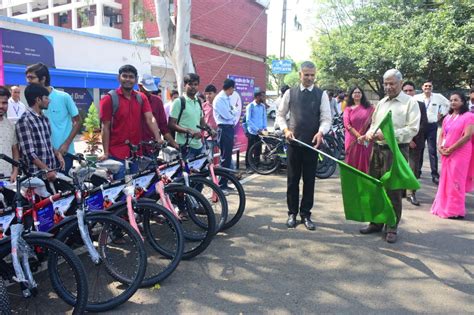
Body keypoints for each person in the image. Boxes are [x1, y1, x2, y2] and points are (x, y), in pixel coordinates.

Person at [358, 69, 420, 243]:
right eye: (386, 83)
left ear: (401, 83)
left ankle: (392, 226)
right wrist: (369, 134)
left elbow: (412, 129)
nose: (388, 87)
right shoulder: (382, 102)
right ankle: (376, 222)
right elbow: (374, 125)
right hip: (377, 149)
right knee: (375, 186)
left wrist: (388, 135)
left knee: (393, 189)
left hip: (396, 150)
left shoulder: (410, 103)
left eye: (392, 83)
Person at [276, 61, 332, 231]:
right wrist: (285, 129)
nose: (309, 78)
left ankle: (306, 214)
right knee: (292, 180)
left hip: (312, 145)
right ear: (300, 74)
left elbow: (326, 119)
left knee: (309, 181)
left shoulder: (321, 94)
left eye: (312, 75)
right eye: (306, 74)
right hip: (293, 143)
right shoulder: (290, 94)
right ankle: (292, 213)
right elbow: (280, 115)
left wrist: (321, 132)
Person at [99, 65, 162, 179]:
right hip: (116, 152)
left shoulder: (141, 97)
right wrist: (106, 152)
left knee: (137, 187)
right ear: (119, 78)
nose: (128, 79)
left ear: (136, 80)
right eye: (125, 76)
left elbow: (150, 118)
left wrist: (158, 138)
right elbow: (105, 127)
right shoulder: (109, 99)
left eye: (131, 77)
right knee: (120, 189)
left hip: (136, 152)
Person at [25, 63, 81, 174]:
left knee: (64, 189)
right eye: (27, 77)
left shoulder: (63, 97)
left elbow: (78, 121)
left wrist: (66, 144)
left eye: (32, 77)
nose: (28, 81)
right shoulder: (33, 100)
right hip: (41, 157)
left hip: (64, 154)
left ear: (43, 79)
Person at [431, 92, 474, 219]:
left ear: (463, 102)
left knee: (456, 181)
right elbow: (442, 134)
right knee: (445, 180)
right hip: (446, 153)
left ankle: (456, 210)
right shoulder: (448, 117)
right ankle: (443, 207)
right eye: (451, 100)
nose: (453, 102)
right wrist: (440, 147)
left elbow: (467, 136)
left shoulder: (469, 116)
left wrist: (451, 148)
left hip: (461, 153)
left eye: (456, 100)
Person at [16, 83, 65, 181]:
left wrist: (57, 154)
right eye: (46, 98)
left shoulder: (44, 119)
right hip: (36, 177)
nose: (49, 101)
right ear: (38, 100)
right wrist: (47, 170)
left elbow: (47, 144)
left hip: (51, 173)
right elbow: (30, 153)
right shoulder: (24, 120)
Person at [414, 80, 450, 184]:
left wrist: (441, 113)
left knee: (432, 150)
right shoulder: (417, 98)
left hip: (432, 126)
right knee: (419, 149)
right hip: (420, 126)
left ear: (432, 87)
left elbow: (448, 104)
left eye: (429, 86)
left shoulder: (438, 96)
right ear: (422, 87)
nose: (427, 88)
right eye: (426, 86)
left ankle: (434, 175)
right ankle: (417, 172)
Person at [168, 73, 208, 160]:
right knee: (186, 173)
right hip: (185, 146)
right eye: (190, 84)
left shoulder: (198, 102)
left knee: (201, 173)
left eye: (196, 84)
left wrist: (210, 129)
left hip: (199, 145)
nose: (193, 87)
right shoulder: (179, 102)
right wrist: (188, 131)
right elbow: (171, 124)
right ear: (184, 85)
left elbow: (201, 121)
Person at [402, 81, 428, 206]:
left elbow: (423, 124)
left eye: (410, 90)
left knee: (413, 169)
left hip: (416, 143)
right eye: (405, 90)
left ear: (414, 91)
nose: (408, 93)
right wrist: (408, 139)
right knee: (399, 167)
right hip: (400, 142)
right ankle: (400, 191)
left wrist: (412, 138)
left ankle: (411, 194)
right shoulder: (398, 105)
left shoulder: (420, 105)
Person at [138, 74, 178, 148]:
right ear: (139, 86)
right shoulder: (132, 100)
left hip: (153, 145)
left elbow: (163, 127)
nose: (149, 92)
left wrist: (174, 144)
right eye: (146, 89)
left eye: (150, 90)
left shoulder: (157, 101)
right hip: (136, 145)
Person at [213, 79, 239, 189]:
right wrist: (233, 112)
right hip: (224, 128)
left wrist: (233, 112)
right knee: (224, 158)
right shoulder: (220, 99)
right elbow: (228, 115)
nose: (234, 90)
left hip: (228, 128)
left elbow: (233, 111)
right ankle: (221, 185)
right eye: (233, 88)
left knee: (227, 157)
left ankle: (225, 183)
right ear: (230, 88)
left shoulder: (226, 98)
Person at [343, 86, 374, 173]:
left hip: (366, 139)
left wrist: (364, 136)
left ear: (362, 94)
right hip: (352, 139)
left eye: (359, 92)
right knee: (351, 161)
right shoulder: (348, 109)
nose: (357, 94)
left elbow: (373, 123)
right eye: (355, 92)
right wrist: (359, 136)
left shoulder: (370, 108)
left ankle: (364, 182)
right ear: (351, 95)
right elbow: (347, 124)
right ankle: (352, 183)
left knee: (365, 160)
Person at [244, 91, 267, 172]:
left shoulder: (263, 106)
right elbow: (248, 120)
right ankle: (248, 166)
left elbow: (264, 117)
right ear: (257, 97)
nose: (263, 98)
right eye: (262, 97)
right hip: (252, 131)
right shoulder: (250, 106)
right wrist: (257, 129)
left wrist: (265, 128)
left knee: (258, 148)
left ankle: (256, 165)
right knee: (250, 149)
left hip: (261, 132)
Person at [0, 86, 19, 182]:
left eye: (4, 103)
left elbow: (15, 150)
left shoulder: (11, 125)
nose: (1, 106)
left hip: (7, 179)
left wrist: (15, 171)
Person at [202, 84, 218, 157]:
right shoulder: (203, 106)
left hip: (219, 134)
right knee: (209, 158)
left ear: (215, 94)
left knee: (225, 156)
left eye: (210, 93)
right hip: (208, 135)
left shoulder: (219, 105)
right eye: (206, 94)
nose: (208, 96)